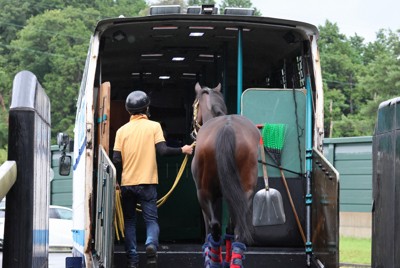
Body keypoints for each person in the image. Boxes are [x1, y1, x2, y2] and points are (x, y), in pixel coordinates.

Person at [113, 90, 193, 268]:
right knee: (151, 220)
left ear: (128, 111)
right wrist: (183, 149)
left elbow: (116, 159)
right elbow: (163, 151)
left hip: (127, 184)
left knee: (130, 222)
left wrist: (116, 181)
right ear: (146, 108)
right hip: (148, 183)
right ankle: (150, 245)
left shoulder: (121, 131)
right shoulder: (154, 126)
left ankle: (132, 261)